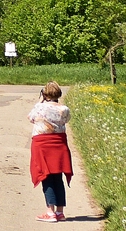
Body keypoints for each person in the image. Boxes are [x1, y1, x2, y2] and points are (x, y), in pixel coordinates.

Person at [28, 81, 73, 223]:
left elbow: (31, 118)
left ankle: (50, 212)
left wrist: (40, 101)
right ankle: (60, 212)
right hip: (59, 144)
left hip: (42, 145)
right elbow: (67, 120)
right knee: (58, 177)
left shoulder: (39, 107)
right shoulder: (64, 109)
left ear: (45, 94)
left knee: (46, 176)